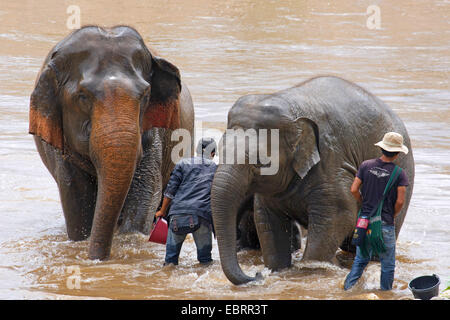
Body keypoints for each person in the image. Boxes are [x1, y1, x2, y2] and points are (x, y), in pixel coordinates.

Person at [344, 132, 409, 291]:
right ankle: (385, 294)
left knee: (360, 260)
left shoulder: (366, 165)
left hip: (364, 221)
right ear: (397, 153)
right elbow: (400, 201)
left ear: (382, 149)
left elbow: (353, 189)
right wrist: (391, 215)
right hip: (385, 224)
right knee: (387, 265)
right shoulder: (399, 173)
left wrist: (363, 202)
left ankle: (347, 290)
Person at [155, 137, 217, 266]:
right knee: (205, 262)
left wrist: (162, 211)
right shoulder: (215, 168)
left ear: (197, 150)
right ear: (213, 153)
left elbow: (170, 191)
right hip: (202, 216)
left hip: (177, 215)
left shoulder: (182, 164)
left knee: (170, 262)